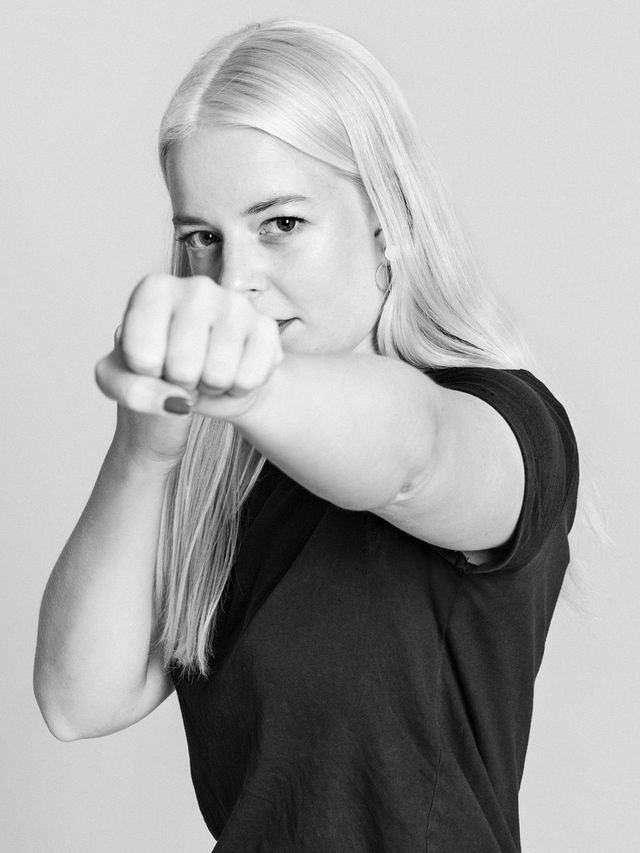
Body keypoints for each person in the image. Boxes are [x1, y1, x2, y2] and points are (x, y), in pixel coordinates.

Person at [33, 18, 579, 853]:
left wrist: (237, 380)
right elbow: (78, 701)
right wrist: (143, 449)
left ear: (386, 226)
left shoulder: (504, 417)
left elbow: (411, 456)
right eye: (202, 238)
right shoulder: (226, 476)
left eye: (280, 223)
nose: (234, 280)